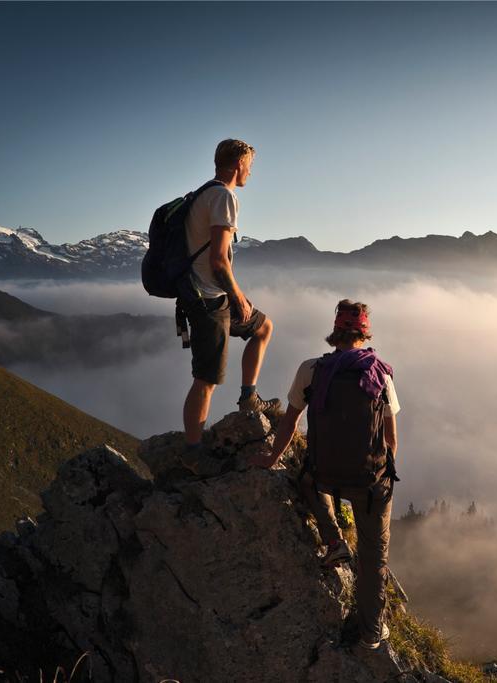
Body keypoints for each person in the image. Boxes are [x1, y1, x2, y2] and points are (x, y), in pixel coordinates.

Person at [255, 300, 400, 650]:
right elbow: (392, 438)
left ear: (335, 331)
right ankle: (370, 631)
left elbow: (290, 421)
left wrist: (272, 457)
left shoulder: (312, 370)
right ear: (364, 333)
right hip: (370, 481)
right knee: (373, 555)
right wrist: (383, 470)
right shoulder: (379, 372)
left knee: (304, 481)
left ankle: (334, 541)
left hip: (325, 474)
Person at [180, 139, 277, 475]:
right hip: (208, 301)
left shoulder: (202, 194)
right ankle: (193, 453)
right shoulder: (224, 197)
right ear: (238, 164)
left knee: (263, 327)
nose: (251, 171)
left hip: (209, 296)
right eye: (249, 165)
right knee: (206, 380)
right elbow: (219, 261)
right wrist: (238, 297)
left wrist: (237, 296)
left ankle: (249, 397)